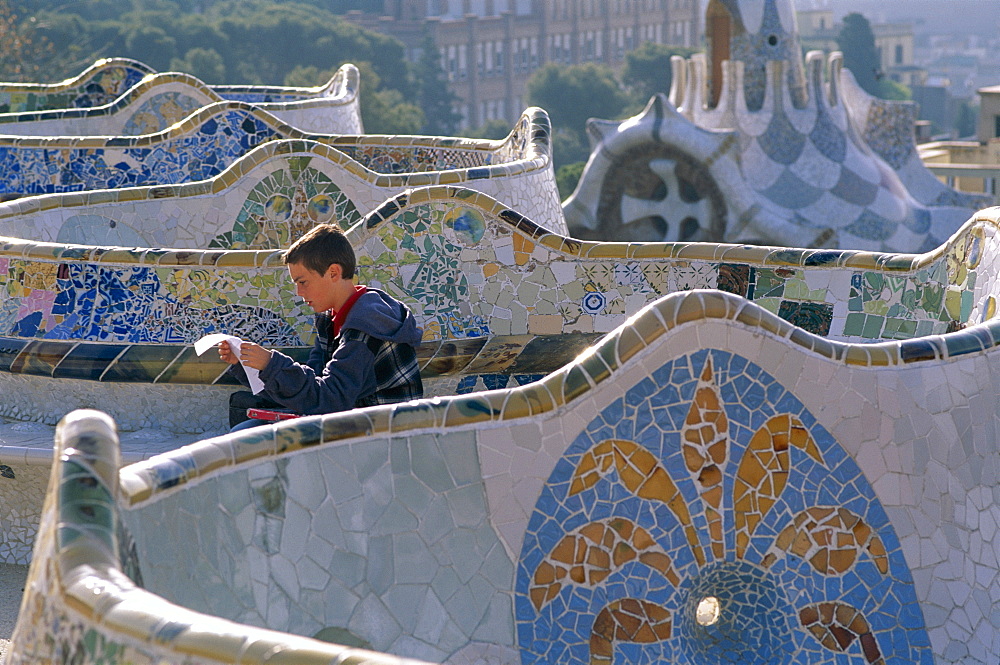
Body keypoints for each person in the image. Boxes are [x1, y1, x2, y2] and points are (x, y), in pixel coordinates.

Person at [220, 223, 423, 430]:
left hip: (382, 432)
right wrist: (249, 366)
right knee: (247, 429)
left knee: (245, 435)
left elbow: (329, 400)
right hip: (348, 418)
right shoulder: (330, 318)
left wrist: (271, 364)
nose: (299, 292)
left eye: (303, 282)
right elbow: (313, 387)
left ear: (333, 272)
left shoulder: (365, 326)